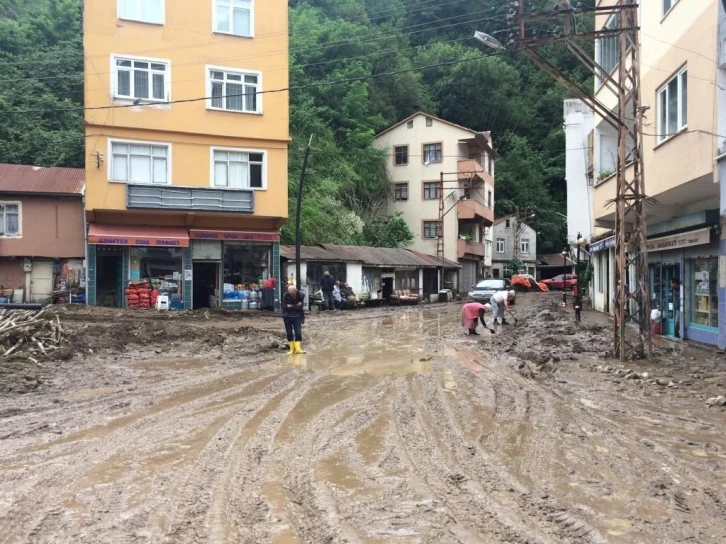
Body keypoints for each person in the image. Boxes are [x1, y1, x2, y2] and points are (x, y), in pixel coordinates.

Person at [282, 285, 306, 354]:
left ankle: (298, 349)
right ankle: (292, 349)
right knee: (289, 333)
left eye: (292, 292)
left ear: (295, 291)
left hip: (297, 316)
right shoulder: (285, 296)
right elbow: (285, 307)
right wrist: (295, 305)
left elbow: (300, 307)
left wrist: (291, 306)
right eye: (290, 292)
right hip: (287, 316)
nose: (291, 294)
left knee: (298, 333)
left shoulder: (300, 295)